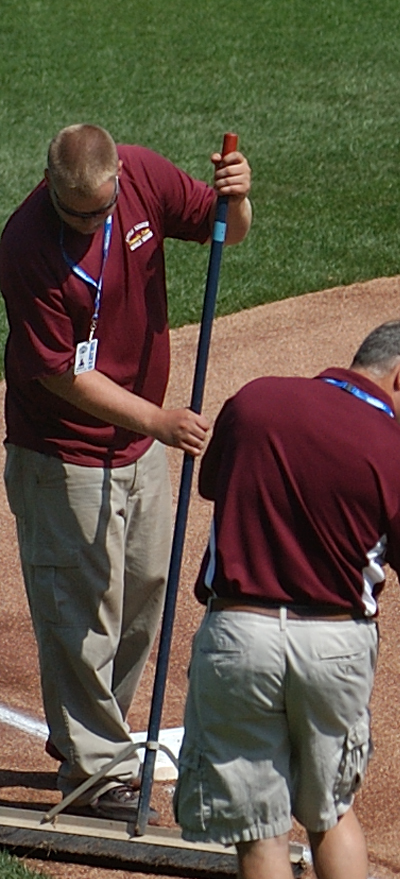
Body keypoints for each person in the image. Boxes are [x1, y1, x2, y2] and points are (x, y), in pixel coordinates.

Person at [175, 319, 400, 879]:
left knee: (258, 830)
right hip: (336, 648)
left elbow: (216, 485)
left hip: (240, 636)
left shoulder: (255, 401)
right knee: (332, 806)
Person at [1, 124, 252, 822]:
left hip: (136, 446)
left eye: (99, 210)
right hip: (61, 452)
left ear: (117, 179)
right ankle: (95, 769)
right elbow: (62, 377)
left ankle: (86, 736)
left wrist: (240, 195)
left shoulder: (142, 176)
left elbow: (225, 229)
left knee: (144, 589)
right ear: (50, 184)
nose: (88, 222)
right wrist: (159, 421)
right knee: (83, 610)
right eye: (74, 210)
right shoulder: (24, 246)